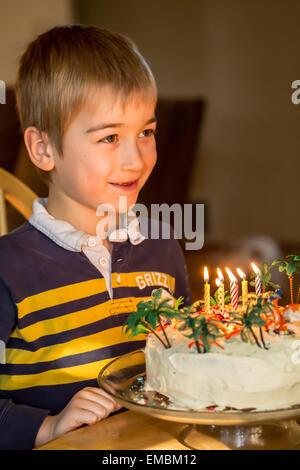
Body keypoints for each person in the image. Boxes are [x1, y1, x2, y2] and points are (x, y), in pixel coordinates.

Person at [0, 25, 191, 449]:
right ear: (44, 149)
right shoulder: (8, 270)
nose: (135, 158)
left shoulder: (162, 251)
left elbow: (188, 362)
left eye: (146, 132)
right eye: (109, 137)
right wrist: (46, 427)